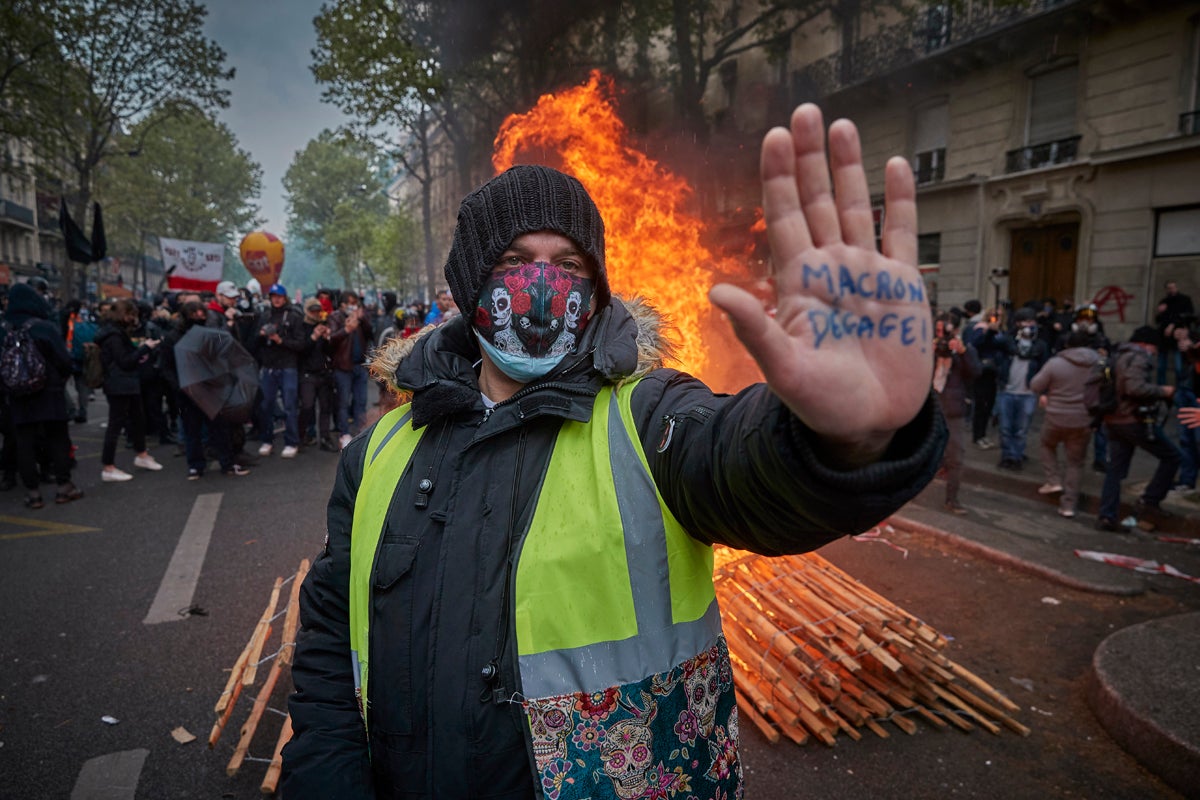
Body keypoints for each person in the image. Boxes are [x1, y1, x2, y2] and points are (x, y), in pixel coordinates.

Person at [282, 106, 946, 798]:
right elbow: (332, 631)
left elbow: (744, 466)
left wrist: (847, 439)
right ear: (470, 280)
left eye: (567, 264)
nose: (541, 286)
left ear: (596, 288)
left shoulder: (648, 418)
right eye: (513, 260)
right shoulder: (381, 450)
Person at [3, 283, 83, 507]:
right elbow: (64, 360)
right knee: (57, 439)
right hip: (49, 392)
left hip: (18, 395)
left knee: (24, 443)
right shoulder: (44, 327)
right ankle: (64, 487)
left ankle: (33, 493)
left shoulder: (4, 329)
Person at [1095, 326, 1180, 531]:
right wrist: (1163, 391)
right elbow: (1134, 388)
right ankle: (1150, 501)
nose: (1155, 352)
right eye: (1154, 347)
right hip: (1132, 419)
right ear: (1145, 344)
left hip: (1113, 419)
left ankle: (1107, 516)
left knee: (1115, 470)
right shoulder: (1138, 357)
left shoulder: (1116, 356)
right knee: (1172, 456)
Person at [160, 301, 251, 479]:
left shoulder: (209, 334)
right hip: (188, 391)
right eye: (195, 313)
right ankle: (196, 466)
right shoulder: (173, 337)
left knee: (219, 429)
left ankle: (227, 463)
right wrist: (179, 386)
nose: (200, 316)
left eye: (202, 313)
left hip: (210, 389)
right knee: (192, 431)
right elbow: (166, 366)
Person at [1029, 329, 1099, 518]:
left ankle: (1053, 479)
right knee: (1075, 463)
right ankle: (1068, 505)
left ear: (1067, 345)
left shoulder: (1056, 364)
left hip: (1056, 416)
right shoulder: (1098, 364)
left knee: (1046, 444)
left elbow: (1036, 384)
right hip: (1083, 419)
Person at [96, 298, 164, 482]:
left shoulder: (114, 333)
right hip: (120, 384)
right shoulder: (114, 336)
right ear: (124, 315)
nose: (134, 319)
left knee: (138, 420)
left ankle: (142, 455)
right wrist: (144, 348)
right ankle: (108, 467)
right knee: (116, 425)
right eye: (131, 315)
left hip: (126, 383)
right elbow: (125, 361)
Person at [932, 311, 980, 514]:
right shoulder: (929, 348)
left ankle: (952, 499)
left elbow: (976, 372)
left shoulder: (965, 350)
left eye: (946, 333)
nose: (942, 337)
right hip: (931, 408)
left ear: (957, 331)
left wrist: (962, 353)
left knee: (956, 456)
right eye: (938, 332)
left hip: (953, 410)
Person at [254, 283, 305, 458]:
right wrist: (261, 335)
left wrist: (280, 340)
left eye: (279, 296)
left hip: (288, 366)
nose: (276, 299)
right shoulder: (264, 315)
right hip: (268, 367)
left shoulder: (294, 316)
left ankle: (292, 441)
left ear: (285, 298)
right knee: (266, 405)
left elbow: (301, 344)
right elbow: (253, 343)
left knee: (290, 405)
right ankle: (267, 440)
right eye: (273, 296)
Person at [994, 307, 1048, 470]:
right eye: (1026, 321)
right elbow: (995, 344)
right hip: (1007, 390)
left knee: (1021, 429)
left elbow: (1045, 368)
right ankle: (1007, 456)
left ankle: (1016, 456)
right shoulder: (1008, 341)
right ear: (1018, 323)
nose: (1030, 325)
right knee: (1005, 428)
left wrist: (1044, 392)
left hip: (1028, 392)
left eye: (1032, 322)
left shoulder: (1040, 345)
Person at [328, 290, 373, 449]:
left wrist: (362, 319)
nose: (353, 307)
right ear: (342, 305)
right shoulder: (335, 317)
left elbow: (370, 333)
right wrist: (346, 329)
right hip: (342, 367)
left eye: (355, 303)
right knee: (343, 402)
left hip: (359, 365)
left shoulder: (361, 318)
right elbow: (330, 340)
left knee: (361, 401)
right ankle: (344, 433)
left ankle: (361, 433)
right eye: (350, 303)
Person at [299, 299, 337, 452]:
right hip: (307, 373)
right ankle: (301, 436)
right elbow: (301, 350)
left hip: (323, 372)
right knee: (307, 407)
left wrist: (327, 338)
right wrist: (313, 337)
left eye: (317, 310)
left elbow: (329, 352)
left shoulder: (323, 325)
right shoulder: (301, 327)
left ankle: (325, 438)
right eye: (312, 310)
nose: (315, 314)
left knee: (325, 407)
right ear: (307, 311)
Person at [967, 306, 1004, 449]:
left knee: (988, 405)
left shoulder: (1001, 331)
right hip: (982, 371)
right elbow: (976, 344)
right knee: (981, 405)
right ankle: (978, 436)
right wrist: (988, 331)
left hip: (994, 371)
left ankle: (983, 434)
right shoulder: (980, 328)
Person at [1154, 280, 1194, 387]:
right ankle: (1161, 390)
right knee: (1161, 367)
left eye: (1173, 287)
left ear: (1177, 287)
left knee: (1178, 367)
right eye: (1169, 288)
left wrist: (1173, 325)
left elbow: (1189, 316)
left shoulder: (1184, 300)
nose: (1171, 290)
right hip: (1164, 338)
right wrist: (1160, 312)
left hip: (1178, 337)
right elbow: (1158, 320)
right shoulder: (1164, 301)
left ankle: (1179, 390)